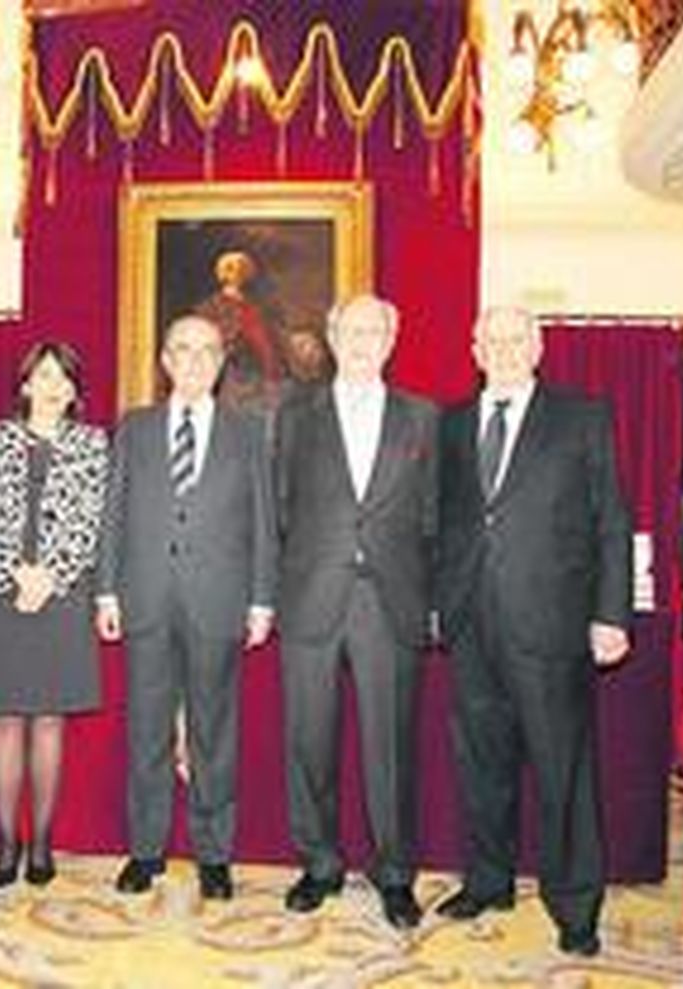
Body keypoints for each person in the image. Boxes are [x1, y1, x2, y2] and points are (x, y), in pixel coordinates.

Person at [433, 306, 632, 957]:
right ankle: (488, 880)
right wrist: (437, 603)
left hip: (552, 623)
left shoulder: (582, 417)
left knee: (562, 768)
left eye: (517, 338)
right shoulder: (452, 423)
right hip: (470, 623)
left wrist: (611, 613)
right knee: (481, 765)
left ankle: (576, 905)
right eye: (492, 338)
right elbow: (443, 524)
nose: (505, 348)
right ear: (474, 346)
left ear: (538, 345)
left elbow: (610, 522)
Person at [96, 314, 277, 900]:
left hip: (218, 601)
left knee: (213, 733)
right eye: (182, 350)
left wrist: (262, 599)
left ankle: (214, 855)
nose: (194, 361)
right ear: (166, 361)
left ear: (221, 362)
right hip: (145, 597)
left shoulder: (249, 432)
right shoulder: (135, 428)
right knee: (146, 731)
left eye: (206, 351)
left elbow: (264, 523)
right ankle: (145, 851)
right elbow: (113, 515)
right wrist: (106, 589)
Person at [274, 294, 437, 930]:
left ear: (392, 340)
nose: (364, 340)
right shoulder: (294, 413)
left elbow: (433, 518)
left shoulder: (423, 417)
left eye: (377, 330)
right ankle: (319, 863)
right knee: (307, 741)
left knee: (390, 745)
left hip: (389, 600)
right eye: (353, 329)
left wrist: (431, 603)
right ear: (333, 335)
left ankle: (395, 873)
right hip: (312, 592)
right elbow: (282, 505)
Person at [0, 341, 109, 887]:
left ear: (73, 390)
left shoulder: (94, 445)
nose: (51, 386)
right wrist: (12, 574)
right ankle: (6, 844)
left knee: (48, 721)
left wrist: (50, 577)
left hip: (62, 596)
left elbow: (92, 520)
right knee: (4, 720)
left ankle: (42, 841)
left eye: (61, 378)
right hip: (4, 595)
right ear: (25, 384)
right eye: (42, 376)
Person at [195, 250, 281, 408]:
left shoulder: (253, 307)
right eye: (232, 269)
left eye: (242, 270)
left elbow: (264, 344)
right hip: (229, 375)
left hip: (254, 376)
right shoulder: (211, 307)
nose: (237, 274)